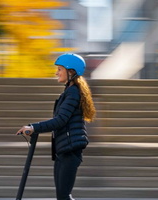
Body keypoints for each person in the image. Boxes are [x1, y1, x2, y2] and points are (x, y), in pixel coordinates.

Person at [16, 53, 96, 200]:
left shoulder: (73, 93)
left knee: (63, 196)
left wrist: (34, 127)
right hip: (64, 149)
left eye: (59, 69)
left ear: (70, 71)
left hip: (70, 150)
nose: (56, 72)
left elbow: (60, 121)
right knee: (62, 196)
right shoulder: (69, 92)